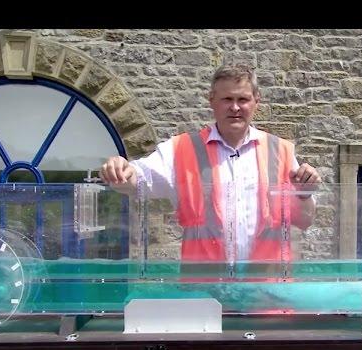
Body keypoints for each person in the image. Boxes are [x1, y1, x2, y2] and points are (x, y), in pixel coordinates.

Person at [100, 64, 321, 264]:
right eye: (227, 99)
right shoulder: (181, 149)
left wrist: (304, 194)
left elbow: (304, 221)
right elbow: (137, 180)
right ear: (212, 100)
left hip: (267, 293)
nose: (235, 107)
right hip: (206, 289)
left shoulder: (280, 151)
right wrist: (119, 169)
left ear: (256, 101)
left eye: (243, 99)